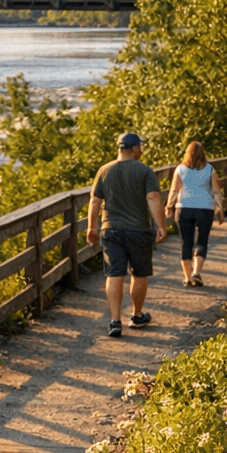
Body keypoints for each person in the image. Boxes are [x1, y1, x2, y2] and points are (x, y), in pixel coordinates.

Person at [86, 132, 168, 337]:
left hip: (111, 229)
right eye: (141, 146)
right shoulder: (145, 171)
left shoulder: (104, 170)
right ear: (133, 149)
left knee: (114, 273)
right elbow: (153, 197)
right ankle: (137, 315)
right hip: (138, 230)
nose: (142, 149)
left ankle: (115, 321)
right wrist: (161, 225)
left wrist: (91, 227)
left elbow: (95, 201)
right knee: (139, 273)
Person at [166, 140, 223, 288]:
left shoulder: (180, 169)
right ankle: (196, 272)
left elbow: (174, 190)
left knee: (186, 243)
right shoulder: (210, 169)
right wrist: (221, 209)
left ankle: (187, 278)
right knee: (202, 241)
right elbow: (217, 191)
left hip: (184, 208)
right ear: (203, 154)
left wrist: (169, 205)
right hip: (205, 208)